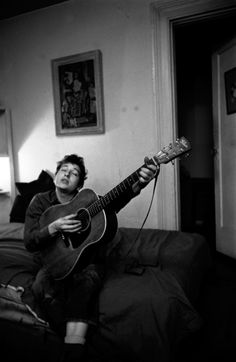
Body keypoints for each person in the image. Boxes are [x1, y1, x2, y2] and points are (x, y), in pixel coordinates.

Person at [24, 153, 159, 362]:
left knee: (87, 280)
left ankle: (73, 347)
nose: (67, 174)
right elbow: (30, 241)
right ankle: (75, 340)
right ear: (56, 174)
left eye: (74, 172)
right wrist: (52, 228)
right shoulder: (40, 201)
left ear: (80, 183)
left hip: (85, 261)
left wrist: (140, 182)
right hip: (53, 259)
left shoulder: (87, 200)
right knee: (40, 286)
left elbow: (117, 200)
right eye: (64, 169)